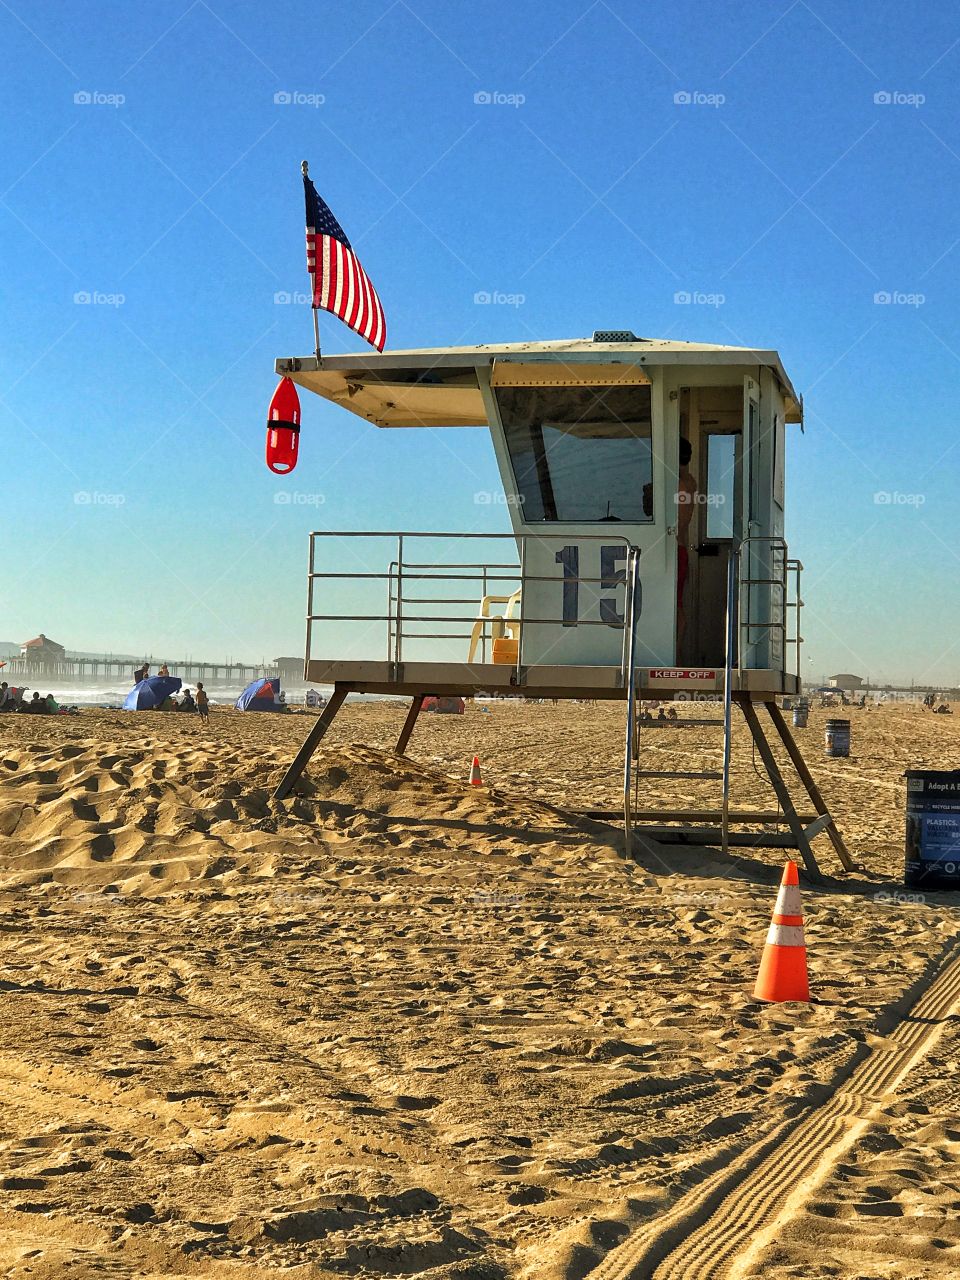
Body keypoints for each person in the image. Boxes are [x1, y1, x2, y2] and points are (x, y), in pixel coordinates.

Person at [676, 437, 698, 651]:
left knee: (675, 605)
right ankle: (676, 652)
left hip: (675, 549)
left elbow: (678, 520)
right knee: (677, 604)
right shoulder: (690, 481)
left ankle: (675, 652)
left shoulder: (680, 484)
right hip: (680, 549)